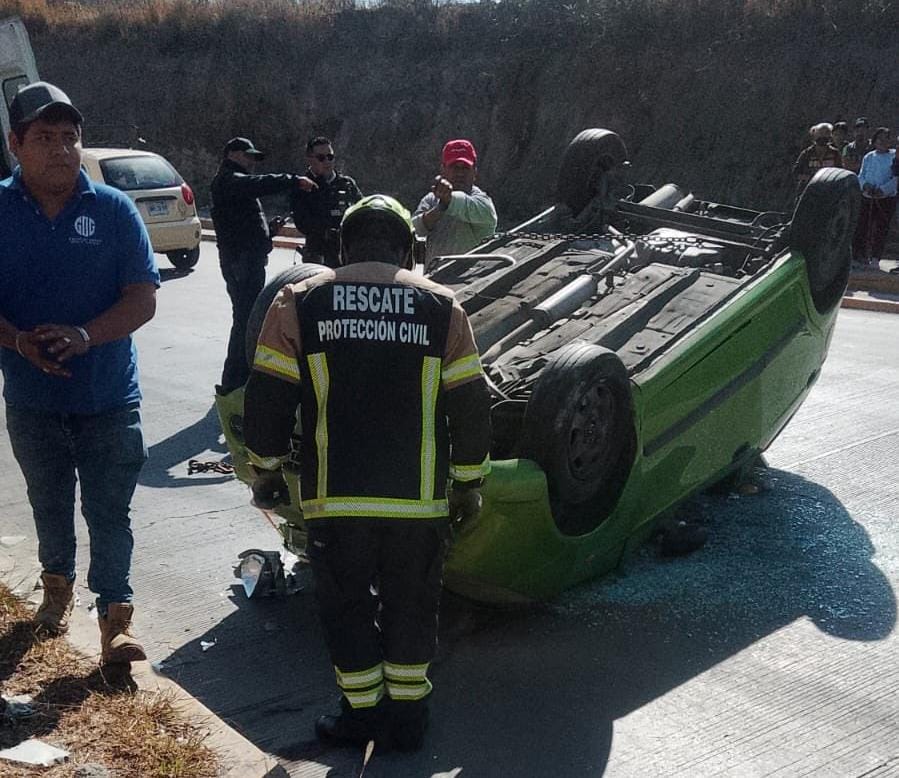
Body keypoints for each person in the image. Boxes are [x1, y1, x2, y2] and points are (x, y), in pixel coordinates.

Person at [242, 194, 491, 752]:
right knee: (412, 607)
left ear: (344, 245)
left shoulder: (300, 300)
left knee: (346, 608)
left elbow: (268, 399)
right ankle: (408, 721)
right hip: (418, 504)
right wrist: (470, 483)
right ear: (408, 248)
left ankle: (361, 717)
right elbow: (471, 405)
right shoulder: (442, 306)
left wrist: (267, 470)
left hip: (339, 502)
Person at [0, 82, 159, 666]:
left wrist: (85, 335)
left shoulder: (113, 210)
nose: (62, 149)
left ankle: (115, 621)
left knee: (109, 511)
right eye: (44, 137)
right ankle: (56, 589)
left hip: (110, 398)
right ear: (16, 144)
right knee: (48, 502)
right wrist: (18, 339)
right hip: (31, 398)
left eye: (70, 137)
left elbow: (142, 298)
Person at [210, 137, 309, 394]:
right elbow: (258, 184)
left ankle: (238, 377)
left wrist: (269, 232)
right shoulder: (229, 180)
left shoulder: (236, 184)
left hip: (246, 258)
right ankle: (233, 381)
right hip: (240, 261)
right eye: (247, 155)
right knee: (245, 319)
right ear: (232, 154)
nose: (251, 161)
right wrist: (292, 180)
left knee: (245, 317)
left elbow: (243, 224)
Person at [412, 139, 498, 270]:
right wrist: (440, 208)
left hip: (473, 283)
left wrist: (448, 200)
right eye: (454, 167)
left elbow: (463, 203)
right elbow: (415, 229)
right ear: (443, 169)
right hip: (434, 280)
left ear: (474, 171)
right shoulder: (430, 200)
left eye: (465, 168)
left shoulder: (483, 204)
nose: (460, 173)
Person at [290, 136, 362, 268]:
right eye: (321, 158)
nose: (327, 161)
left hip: (347, 254)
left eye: (330, 157)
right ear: (310, 159)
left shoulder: (347, 184)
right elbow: (302, 222)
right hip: (318, 254)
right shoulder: (303, 186)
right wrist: (327, 231)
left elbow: (361, 210)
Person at [852, 127, 897, 270]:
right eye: (880, 139)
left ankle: (876, 257)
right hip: (868, 196)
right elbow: (861, 174)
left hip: (885, 198)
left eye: (886, 139)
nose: (882, 142)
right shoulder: (869, 157)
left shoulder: (894, 156)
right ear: (875, 140)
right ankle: (859, 256)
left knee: (880, 228)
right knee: (863, 226)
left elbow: (896, 178)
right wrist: (865, 185)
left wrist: (883, 190)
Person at [793, 122, 843, 197]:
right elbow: (796, 172)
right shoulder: (807, 154)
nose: (822, 145)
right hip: (808, 191)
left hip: (828, 192)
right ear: (814, 138)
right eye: (819, 139)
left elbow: (840, 173)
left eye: (825, 139)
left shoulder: (835, 154)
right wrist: (809, 178)